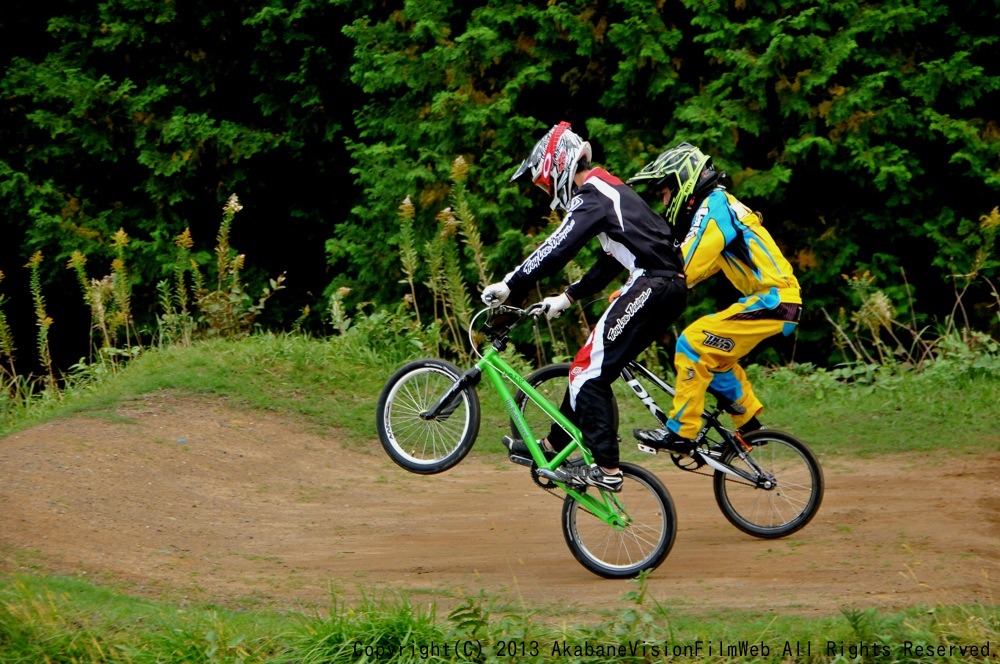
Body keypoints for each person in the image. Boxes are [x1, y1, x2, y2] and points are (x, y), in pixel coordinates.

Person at [481, 121, 687, 492]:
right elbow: (612, 259)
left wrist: (511, 285)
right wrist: (568, 297)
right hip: (665, 286)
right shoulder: (611, 190)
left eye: (544, 183)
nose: (547, 192)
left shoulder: (593, 194)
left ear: (559, 165)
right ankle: (551, 446)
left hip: (653, 283)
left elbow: (558, 247)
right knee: (588, 368)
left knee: (586, 372)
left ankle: (607, 468)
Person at [626, 143, 802, 456]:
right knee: (714, 355)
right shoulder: (719, 206)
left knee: (692, 342)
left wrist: (642, 285)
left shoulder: (714, 206)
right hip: (775, 301)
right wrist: (642, 288)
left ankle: (681, 432)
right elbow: (695, 272)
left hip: (774, 300)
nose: (665, 203)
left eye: (665, 193)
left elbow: (687, 261)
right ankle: (749, 428)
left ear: (683, 183)